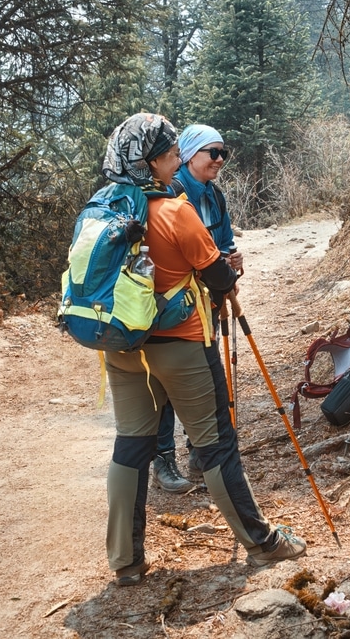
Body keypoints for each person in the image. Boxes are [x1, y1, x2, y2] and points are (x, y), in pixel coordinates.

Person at [99, 113, 305, 585]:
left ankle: (125, 563)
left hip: (124, 346)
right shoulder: (173, 210)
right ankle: (261, 543)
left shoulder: (104, 207)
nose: (176, 163)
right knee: (216, 444)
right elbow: (217, 275)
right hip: (182, 343)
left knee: (131, 445)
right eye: (171, 155)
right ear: (151, 162)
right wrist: (227, 273)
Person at [152, 124, 243, 494]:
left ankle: (198, 453)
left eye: (223, 153)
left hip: (209, 298)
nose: (220, 160)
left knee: (203, 381)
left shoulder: (214, 196)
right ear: (189, 155)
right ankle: (162, 460)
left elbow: (223, 241)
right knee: (168, 385)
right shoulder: (172, 194)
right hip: (175, 304)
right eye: (213, 153)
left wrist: (232, 260)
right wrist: (213, 262)